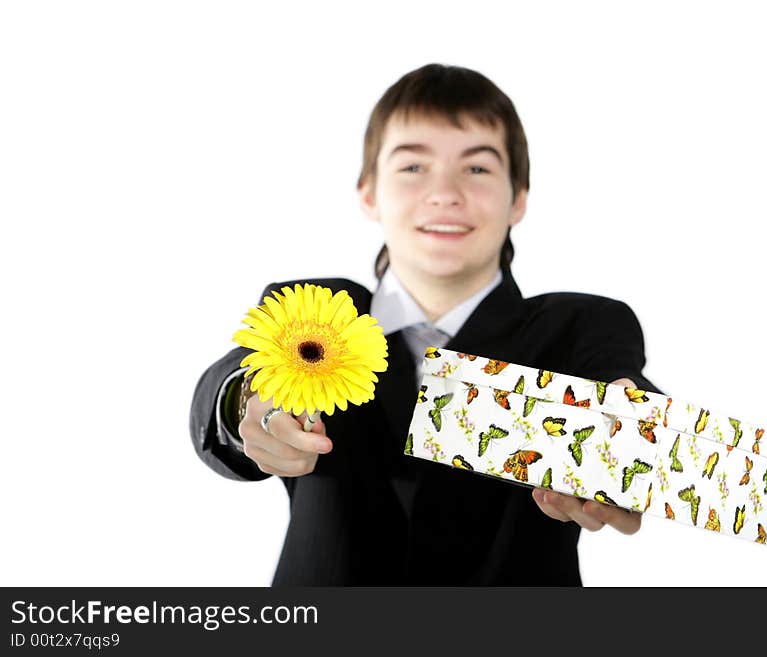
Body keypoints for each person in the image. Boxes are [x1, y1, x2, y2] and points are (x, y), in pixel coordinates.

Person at [189, 63, 662, 586]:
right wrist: (245, 404)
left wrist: (636, 437)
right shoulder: (316, 312)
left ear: (519, 197)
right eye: (413, 167)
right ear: (369, 192)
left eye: (477, 169)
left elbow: (625, 388)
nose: (445, 193)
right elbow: (234, 383)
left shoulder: (578, 327)